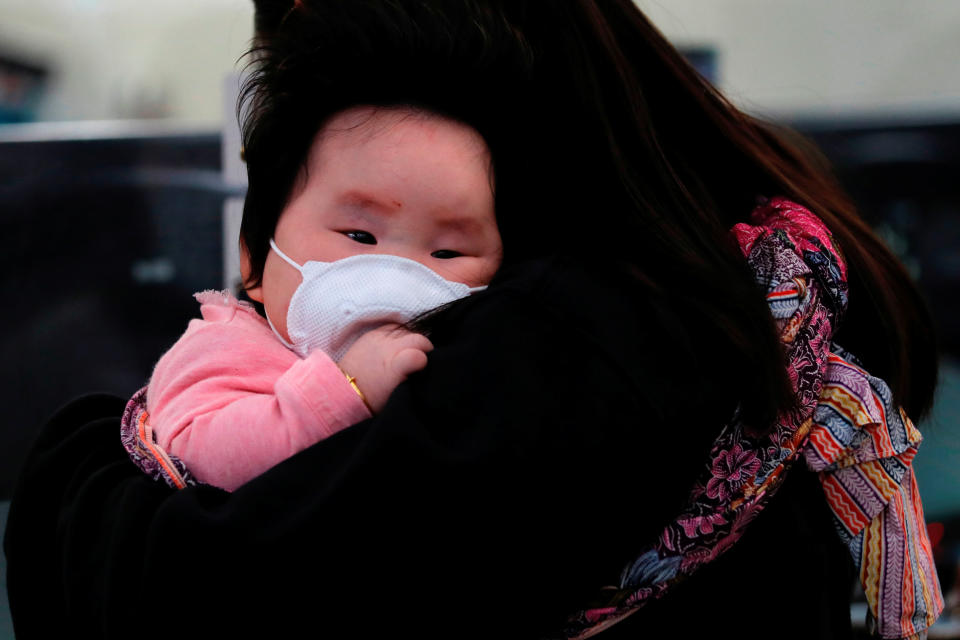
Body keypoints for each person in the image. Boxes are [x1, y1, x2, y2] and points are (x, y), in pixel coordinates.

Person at [4, 1, 943, 638]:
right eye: (357, 228)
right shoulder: (766, 259)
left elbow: (211, 596)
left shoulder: (563, 349)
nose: (392, 273)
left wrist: (85, 460)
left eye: (446, 248)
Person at [130, 105, 500, 491]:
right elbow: (198, 457)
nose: (396, 274)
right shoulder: (222, 349)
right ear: (255, 259)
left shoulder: (477, 357)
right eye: (359, 236)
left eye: (447, 253)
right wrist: (345, 389)